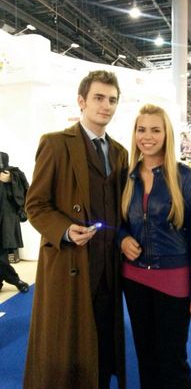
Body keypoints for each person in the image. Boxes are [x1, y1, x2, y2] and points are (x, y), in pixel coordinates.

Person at [23, 70, 128, 389]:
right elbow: (35, 205)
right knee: (67, 351)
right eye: (98, 98)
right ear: (81, 101)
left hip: (109, 269)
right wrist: (66, 230)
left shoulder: (119, 152)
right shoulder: (56, 144)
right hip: (71, 263)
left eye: (112, 100)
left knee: (102, 345)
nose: (106, 106)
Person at [118, 104, 191, 389]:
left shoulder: (184, 177)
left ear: (166, 134)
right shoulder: (127, 176)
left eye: (155, 130)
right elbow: (117, 221)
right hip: (134, 280)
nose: (147, 136)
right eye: (141, 129)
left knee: (172, 363)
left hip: (173, 281)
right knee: (146, 359)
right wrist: (122, 238)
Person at [0, 151, 29, 293]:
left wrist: (11, 179)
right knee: (1, 256)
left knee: (2, 253)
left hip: (7, 219)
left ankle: (15, 280)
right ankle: (14, 279)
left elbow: (26, 190)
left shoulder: (13, 173)